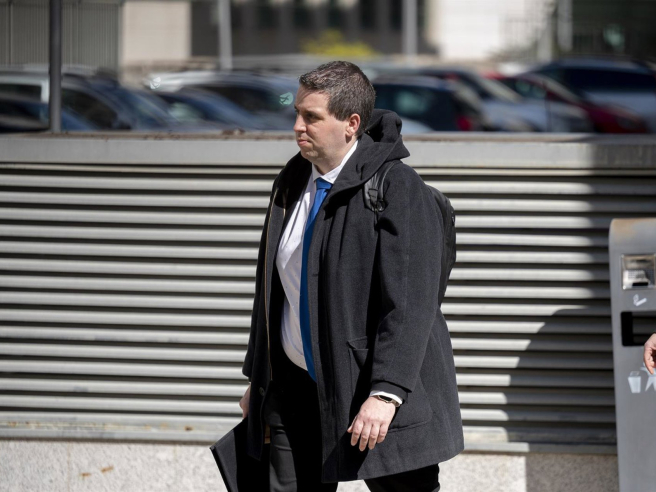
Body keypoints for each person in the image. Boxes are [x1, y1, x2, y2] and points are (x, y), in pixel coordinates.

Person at [239, 61, 463, 491]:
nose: (297, 126)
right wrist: (260, 379)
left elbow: (411, 305)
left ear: (351, 124)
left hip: (370, 392)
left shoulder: (398, 189)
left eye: (311, 117)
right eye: (297, 113)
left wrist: (386, 393)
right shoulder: (291, 183)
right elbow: (271, 292)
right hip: (295, 390)